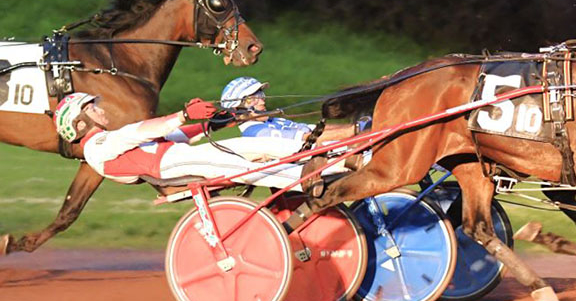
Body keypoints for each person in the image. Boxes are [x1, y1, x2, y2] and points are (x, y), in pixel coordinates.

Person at [52, 92, 321, 191]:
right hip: (170, 166)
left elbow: (173, 136)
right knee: (242, 167)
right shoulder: (97, 149)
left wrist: (219, 122)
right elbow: (138, 131)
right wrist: (182, 114)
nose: (100, 109)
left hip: (177, 156)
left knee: (257, 147)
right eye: (90, 108)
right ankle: (307, 180)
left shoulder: (109, 140)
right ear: (80, 124)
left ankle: (322, 157)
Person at [218, 76, 360, 162]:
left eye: (261, 95)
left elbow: (315, 129)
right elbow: (310, 138)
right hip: (316, 161)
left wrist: (356, 126)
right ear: (238, 108)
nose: (262, 101)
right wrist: (358, 130)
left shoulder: (270, 121)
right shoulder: (257, 132)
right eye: (253, 99)